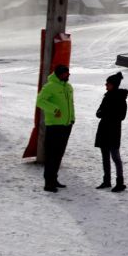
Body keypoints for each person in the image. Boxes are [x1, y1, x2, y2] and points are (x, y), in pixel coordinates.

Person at [36, 64, 75, 193]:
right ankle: (48, 182)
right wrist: (54, 110)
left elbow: (71, 105)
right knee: (51, 155)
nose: (68, 75)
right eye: (65, 73)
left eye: (68, 73)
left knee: (59, 154)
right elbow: (40, 101)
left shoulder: (68, 87)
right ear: (59, 74)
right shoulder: (50, 86)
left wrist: (72, 119)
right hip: (54, 126)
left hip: (66, 125)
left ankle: (54, 179)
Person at [95, 71, 128, 192]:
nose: (106, 85)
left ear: (113, 84)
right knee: (105, 157)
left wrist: (105, 113)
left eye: (108, 83)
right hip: (104, 130)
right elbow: (98, 113)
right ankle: (107, 181)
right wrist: (103, 113)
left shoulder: (121, 99)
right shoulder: (107, 96)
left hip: (113, 131)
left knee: (115, 157)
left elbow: (121, 116)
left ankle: (120, 182)